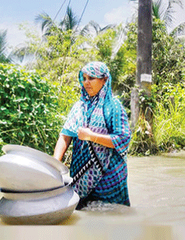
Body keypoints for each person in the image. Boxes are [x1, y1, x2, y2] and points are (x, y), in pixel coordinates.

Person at [53, 62, 131, 209]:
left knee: (109, 217)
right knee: (81, 213)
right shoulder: (79, 107)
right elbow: (65, 136)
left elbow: (123, 139)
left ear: (105, 80)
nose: (86, 82)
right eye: (84, 78)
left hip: (109, 176)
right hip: (80, 175)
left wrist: (91, 136)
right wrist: (54, 164)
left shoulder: (113, 106)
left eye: (91, 78)